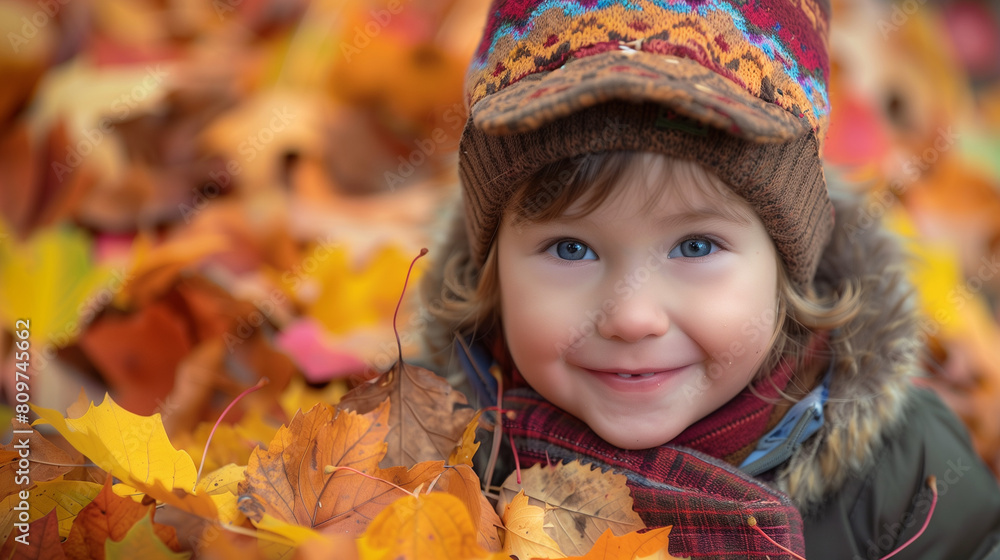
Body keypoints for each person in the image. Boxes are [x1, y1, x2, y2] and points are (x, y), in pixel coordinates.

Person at [418, 0, 1000, 558]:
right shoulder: (427, 456)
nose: (632, 316)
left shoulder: (901, 479)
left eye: (694, 247)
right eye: (571, 249)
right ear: (494, 269)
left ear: (785, 268)